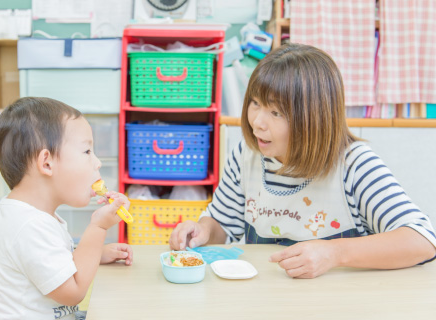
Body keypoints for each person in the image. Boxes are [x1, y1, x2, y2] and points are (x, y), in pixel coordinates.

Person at [169, 43, 436, 278]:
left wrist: (334, 253)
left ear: (313, 118)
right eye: (254, 103)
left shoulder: (354, 165)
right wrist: (202, 230)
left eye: (275, 112)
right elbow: (223, 223)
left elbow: (422, 240)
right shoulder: (247, 155)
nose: (257, 123)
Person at [0, 97, 133, 319]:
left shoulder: (29, 213)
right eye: (87, 152)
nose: (97, 163)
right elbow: (73, 292)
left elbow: (50, 261)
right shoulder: (29, 227)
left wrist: (93, 254)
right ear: (47, 163)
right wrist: (98, 228)